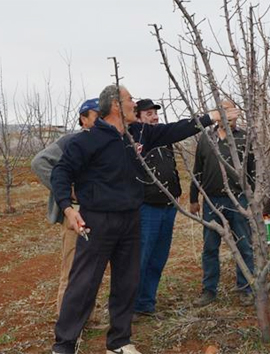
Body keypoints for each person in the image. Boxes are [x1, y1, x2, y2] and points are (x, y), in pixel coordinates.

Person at [50, 85, 233, 354]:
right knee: (84, 282)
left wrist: (211, 116)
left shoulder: (136, 134)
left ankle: (119, 342)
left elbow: (176, 129)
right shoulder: (86, 140)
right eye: (129, 100)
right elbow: (61, 173)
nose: (134, 104)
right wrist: (68, 208)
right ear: (115, 105)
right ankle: (64, 344)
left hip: (131, 219)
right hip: (97, 221)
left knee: (126, 282)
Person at [30, 98, 100, 318]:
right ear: (84, 119)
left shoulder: (103, 143)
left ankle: (86, 316)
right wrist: (66, 190)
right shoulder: (72, 141)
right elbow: (38, 162)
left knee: (92, 269)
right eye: (97, 115)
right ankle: (66, 320)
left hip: (98, 212)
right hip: (76, 213)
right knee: (72, 268)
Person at [189, 100, 255, 308]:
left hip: (238, 200)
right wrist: (193, 198)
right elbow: (197, 169)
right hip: (211, 200)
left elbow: (253, 172)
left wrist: (253, 200)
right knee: (210, 247)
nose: (228, 114)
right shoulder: (206, 138)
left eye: (231, 110)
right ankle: (209, 290)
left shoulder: (245, 139)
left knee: (244, 245)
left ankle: (245, 288)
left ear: (237, 114)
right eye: (223, 110)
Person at [133, 99, 182, 319]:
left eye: (155, 113)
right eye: (149, 113)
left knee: (158, 258)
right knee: (141, 258)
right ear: (138, 118)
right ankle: (131, 305)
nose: (154, 117)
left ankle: (146, 303)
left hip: (168, 207)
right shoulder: (136, 140)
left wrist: (178, 190)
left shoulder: (165, 140)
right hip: (147, 208)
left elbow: (171, 168)